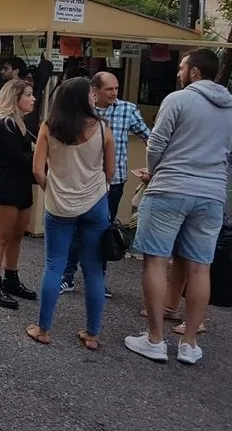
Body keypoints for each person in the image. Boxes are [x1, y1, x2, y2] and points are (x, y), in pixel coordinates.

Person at [125, 49, 232, 365]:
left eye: (182, 67)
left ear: (195, 72)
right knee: (201, 266)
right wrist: (217, 180)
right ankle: (189, 344)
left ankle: (155, 339)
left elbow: (156, 144)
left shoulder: (177, 100)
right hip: (212, 195)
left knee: (156, 262)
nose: (178, 72)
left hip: (170, 188)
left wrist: (156, 172)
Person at [29, 77, 112, 349]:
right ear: (83, 98)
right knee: (93, 270)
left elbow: (38, 170)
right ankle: (92, 334)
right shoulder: (102, 128)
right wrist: (102, 187)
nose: (93, 96)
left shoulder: (49, 127)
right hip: (95, 203)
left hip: (59, 206)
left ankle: (43, 329)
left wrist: (51, 189)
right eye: (90, 92)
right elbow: (110, 170)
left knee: (54, 265)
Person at [61, 71, 150, 296]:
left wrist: (154, 168)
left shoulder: (127, 110)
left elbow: (150, 138)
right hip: (82, 181)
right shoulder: (82, 110)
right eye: (109, 89)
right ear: (95, 90)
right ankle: (67, 277)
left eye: (116, 88)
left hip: (114, 182)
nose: (114, 93)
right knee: (74, 229)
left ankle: (97, 280)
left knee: (102, 231)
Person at [0, 78, 37, 310]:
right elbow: (18, 158)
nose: (33, 99)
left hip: (22, 185)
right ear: (15, 98)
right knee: (2, 236)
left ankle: (11, 277)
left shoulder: (22, 124)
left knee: (17, 235)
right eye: (28, 95)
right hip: (7, 186)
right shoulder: (6, 125)